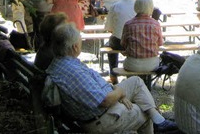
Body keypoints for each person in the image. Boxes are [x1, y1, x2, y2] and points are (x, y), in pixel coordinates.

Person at [46, 23, 176, 133]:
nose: (82, 41)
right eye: (80, 39)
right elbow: (104, 101)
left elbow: (98, 93)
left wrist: (117, 92)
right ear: (74, 46)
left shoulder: (61, 63)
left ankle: (159, 120)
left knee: (136, 81)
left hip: (104, 101)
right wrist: (119, 93)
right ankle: (155, 119)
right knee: (144, 113)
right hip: (102, 118)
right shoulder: (73, 72)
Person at [120, 0, 163, 73]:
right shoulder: (156, 24)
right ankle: (148, 84)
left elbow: (123, 44)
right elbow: (160, 43)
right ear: (151, 7)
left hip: (132, 64)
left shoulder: (128, 24)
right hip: (152, 64)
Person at [105, 0, 137, 84]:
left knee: (110, 45)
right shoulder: (138, 6)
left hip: (118, 41)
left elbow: (109, 28)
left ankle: (113, 75)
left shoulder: (115, 6)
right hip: (135, 41)